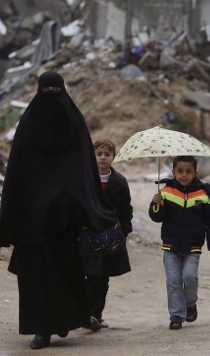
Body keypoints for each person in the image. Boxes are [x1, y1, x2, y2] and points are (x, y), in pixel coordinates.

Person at [0, 71, 118, 350]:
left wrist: (84, 206)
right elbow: (17, 174)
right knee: (37, 274)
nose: (51, 98)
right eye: (46, 91)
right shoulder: (29, 125)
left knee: (65, 270)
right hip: (32, 219)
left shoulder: (74, 125)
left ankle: (63, 321)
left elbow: (84, 171)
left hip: (64, 217)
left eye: (55, 91)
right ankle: (42, 329)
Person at [149, 155, 210, 330]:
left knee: (189, 277)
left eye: (188, 171)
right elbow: (157, 217)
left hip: (193, 246)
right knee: (173, 281)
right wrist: (155, 204)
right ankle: (176, 315)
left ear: (196, 173)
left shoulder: (204, 194)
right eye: (180, 171)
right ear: (173, 172)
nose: (183, 175)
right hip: (170, 245)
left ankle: (190, 304)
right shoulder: (165, 192)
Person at [81, 139, 133, 332]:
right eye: (99, 154)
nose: (103, 158)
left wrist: (123, 232)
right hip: (88, 235)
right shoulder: (85, 179)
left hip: (110, 237)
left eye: (107, 154)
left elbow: (126, 210)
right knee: (91, 276)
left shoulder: (119, 182)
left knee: (102, 278)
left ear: (113, 157)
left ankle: (95, 314)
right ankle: (88, 313)